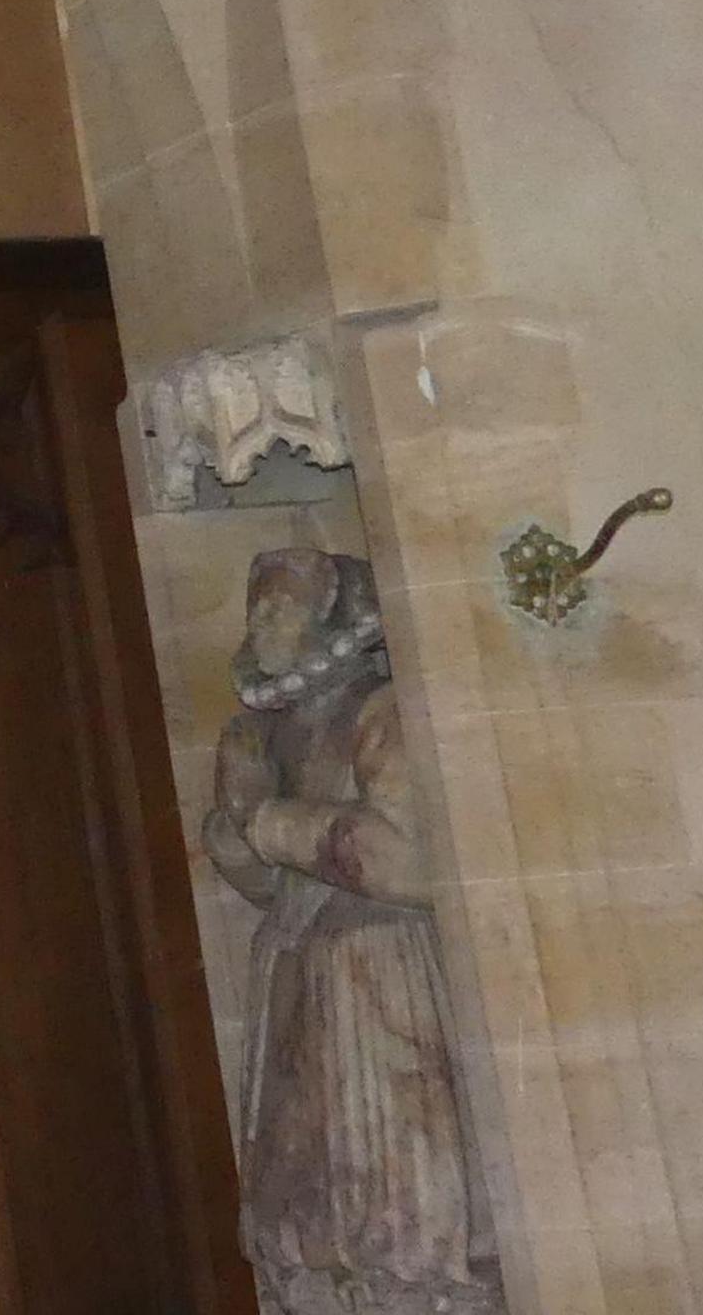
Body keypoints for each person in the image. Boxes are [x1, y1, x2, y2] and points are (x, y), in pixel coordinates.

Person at [206, 548, 504, 1315]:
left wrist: (274, 822)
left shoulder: (380, 709)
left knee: (398, 1211)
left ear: (332, 619)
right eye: (257, 610)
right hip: (306, 977)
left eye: (281, 608)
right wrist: (236, 827)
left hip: (377, 978)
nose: (263, 626)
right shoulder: (274, 735)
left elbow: (414, 860)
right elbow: (273, 884)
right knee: (308, 1212)